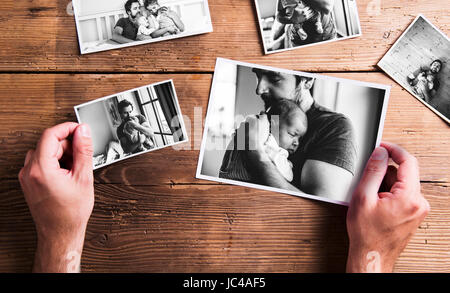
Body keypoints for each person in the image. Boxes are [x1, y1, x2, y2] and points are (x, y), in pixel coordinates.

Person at [18, 122, 430, 273]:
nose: (293, 142)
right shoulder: (260, 136)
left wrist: (59, 240)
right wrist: (372, 257)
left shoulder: (312, 139)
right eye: (289, 134)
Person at [237, 69, 356, 200]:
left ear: (308, 80)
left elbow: (320, 210)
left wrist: (256, 154)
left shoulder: (335, 127)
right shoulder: (267, 118)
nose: (259, 89)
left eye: (274, 78)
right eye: (258, 76)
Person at [220, 99, 308, 183]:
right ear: (274, 124)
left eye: (299, 138)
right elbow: (287, 176)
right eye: (292, 134)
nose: (296, 143)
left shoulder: (253, 128)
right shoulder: (270, 144)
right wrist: (287, 165)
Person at [269, 0, 337, 50]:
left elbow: (327, 7)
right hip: (298, 40)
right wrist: (293, 20)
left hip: (325, 37)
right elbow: (278, 15)